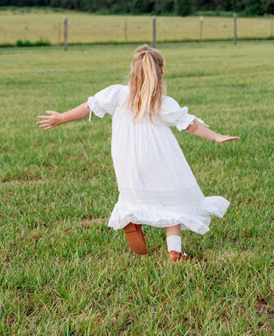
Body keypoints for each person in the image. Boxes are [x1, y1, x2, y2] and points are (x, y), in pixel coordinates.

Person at [38, 45, 236, 261]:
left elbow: (89, 107)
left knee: (134, 194)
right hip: (159, 158)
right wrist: (216, 136)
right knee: (174, 200)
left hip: (126, 159)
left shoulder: (116, 94)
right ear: (161, 73)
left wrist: (61, 118)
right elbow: (190, 124)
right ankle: (175, 251)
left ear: (132, 72)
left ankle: (131, 217)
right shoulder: (161, 103)